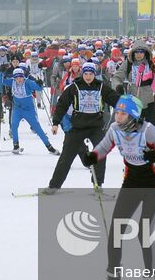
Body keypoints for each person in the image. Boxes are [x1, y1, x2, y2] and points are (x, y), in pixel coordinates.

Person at [80, 96, 155, 280]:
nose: (118, 116)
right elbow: (102, 148)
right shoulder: (114, 130)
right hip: (132, 182)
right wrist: (92, 157)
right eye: (117, 112)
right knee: (116, 228)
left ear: (133, 115)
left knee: (143, 231)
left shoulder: (148, 131)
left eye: (122, 113)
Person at [46, 62, 118, 193]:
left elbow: (115, 99)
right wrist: (56, 123)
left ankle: (98, 184)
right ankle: (54, 186)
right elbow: (61, 104)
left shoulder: (101, 87)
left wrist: (124, 102)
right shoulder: (74, 87)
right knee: (66, 156)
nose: (88, 76)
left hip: (96, 126)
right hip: (78, 127)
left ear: (94, 75)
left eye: (91, 74)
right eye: (86, 74)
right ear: (82, 74)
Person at [7, 67, 56, 154]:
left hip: (28, 110)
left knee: (37, 128)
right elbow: (1, 80)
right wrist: (2, 72)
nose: (19, 79)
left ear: (23, 77)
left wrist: (40, 83)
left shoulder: (28, 82)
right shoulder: (12, 82)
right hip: (17, 109)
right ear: (14, 78)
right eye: (17, 77)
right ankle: (16, 145)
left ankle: (49, 146)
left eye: (21, 77)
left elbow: (39, 88)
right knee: (13, 125)